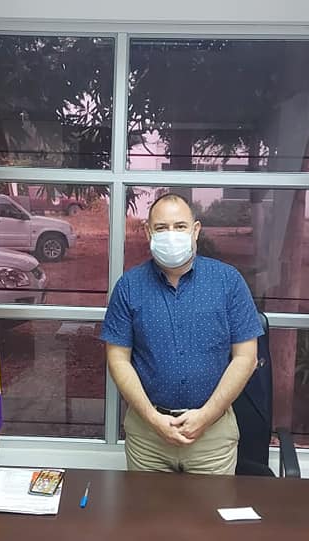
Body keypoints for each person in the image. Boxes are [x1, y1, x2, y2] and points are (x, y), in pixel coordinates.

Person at [100, 193, 263, 475]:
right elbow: (117, 360)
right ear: (148, 232)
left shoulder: (228, 282)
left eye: (180, 226)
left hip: (212, 436)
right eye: (161, 228)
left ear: (195, 230)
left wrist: (206, 416)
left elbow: (246, 358)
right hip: (148, 437)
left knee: (211, 506)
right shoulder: (129, 286)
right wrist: (153, 419)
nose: (171, 234)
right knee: (146, 506)